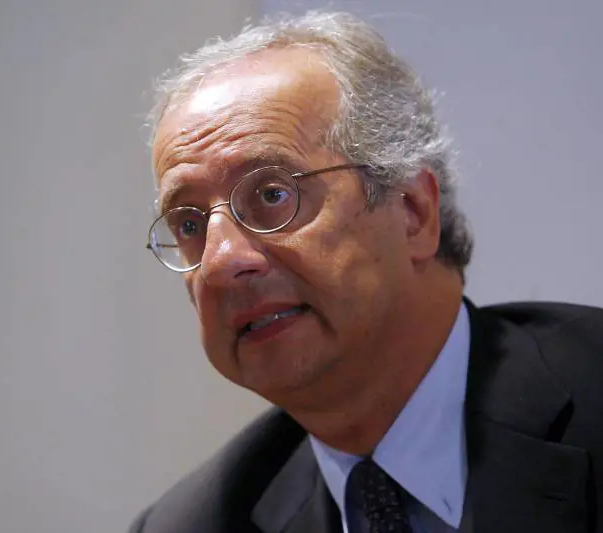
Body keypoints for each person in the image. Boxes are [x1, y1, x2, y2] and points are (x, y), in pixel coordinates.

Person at [133, 10, 603, 533]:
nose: (220, 262)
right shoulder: (196, 523)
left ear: (413, 212)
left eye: (273, 194)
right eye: (189, 224)